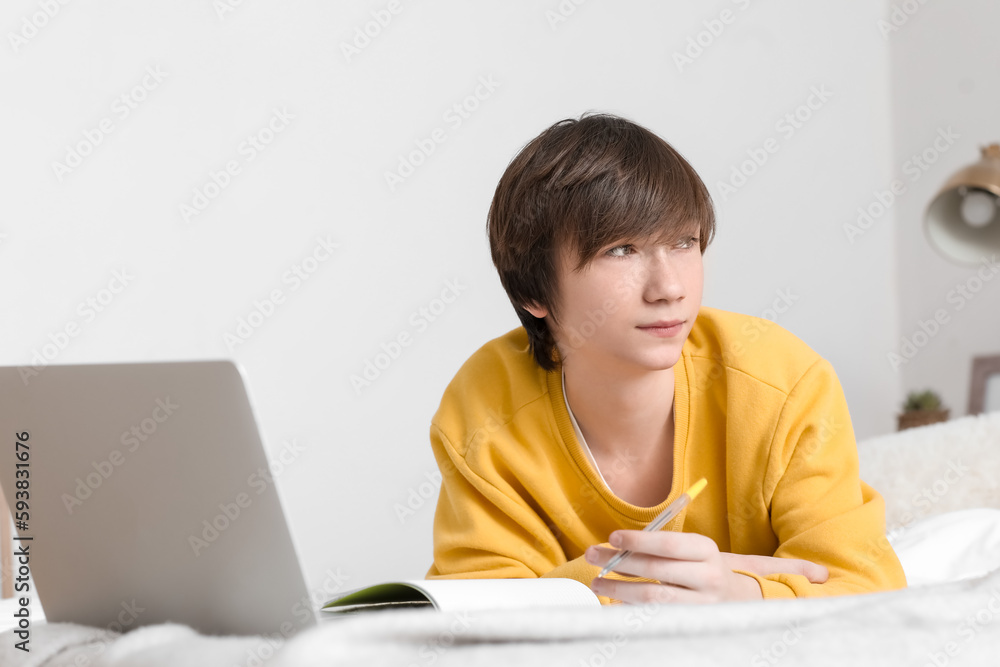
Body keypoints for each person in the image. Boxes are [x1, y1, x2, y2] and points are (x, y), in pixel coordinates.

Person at [424, 112, 907, 604]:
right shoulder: (484, 405)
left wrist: (742, 594)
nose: (670, 288)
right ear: (533, 289)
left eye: (684, 243)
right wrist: (646, 581)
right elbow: (477, 610)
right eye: (621, 250)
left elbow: (867, 589)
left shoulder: (781, 381)